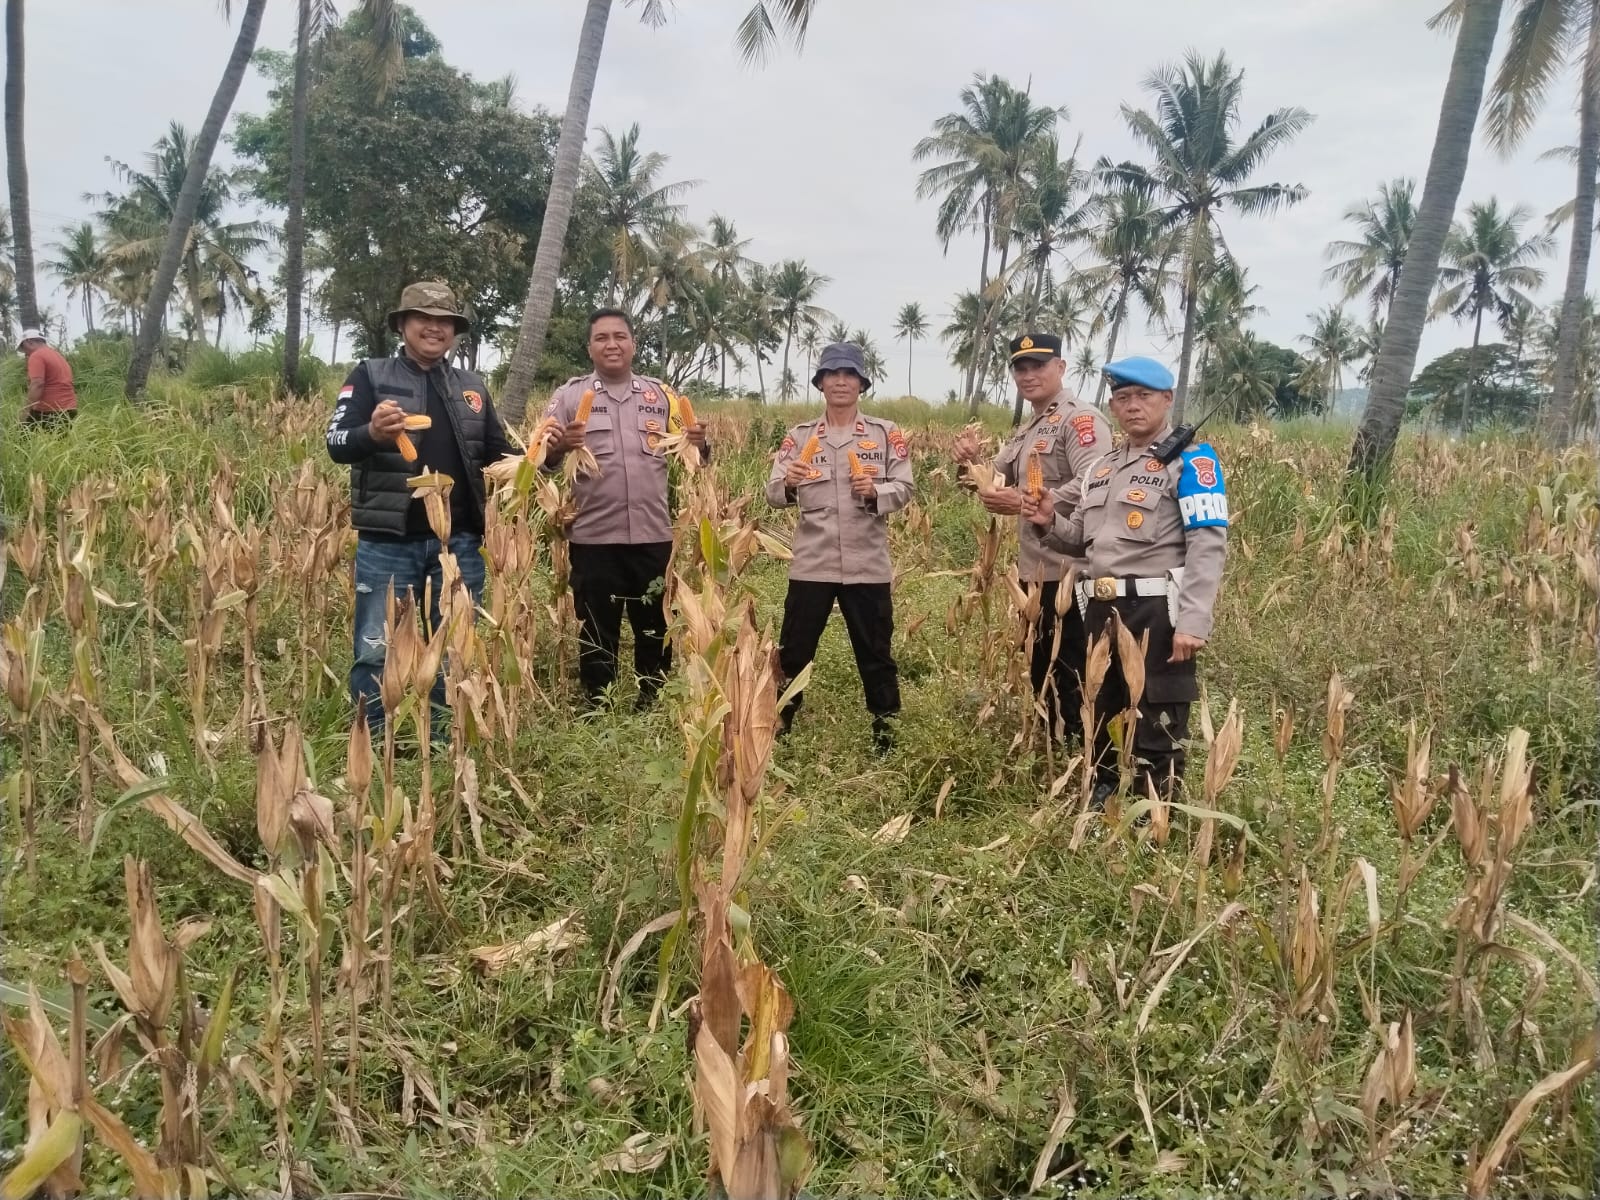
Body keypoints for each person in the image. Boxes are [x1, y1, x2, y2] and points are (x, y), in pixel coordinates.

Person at [1021, 355, 1228, 805]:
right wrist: (1048, 520)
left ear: (1167, 399)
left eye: (1144, 396)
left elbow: (1208, 545)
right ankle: (1104, 809)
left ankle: (1156, 815)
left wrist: (1193, 621)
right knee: (1100, 714)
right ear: (1113, 406)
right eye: (1123, 397)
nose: (1133, 405)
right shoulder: (1102, 468)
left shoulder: (1192, 463)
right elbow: (1080, 540)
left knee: (1157, 721)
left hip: (1155, 612)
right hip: (1099, 609)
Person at [325, 280, 511, 737]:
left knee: (456, 646)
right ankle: (373, 742)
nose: (434, 327)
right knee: (376, 649)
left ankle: (445, 742)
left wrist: (549, 452)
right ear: (402, 324)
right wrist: (372, 433)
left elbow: (499, 455)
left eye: (444, 320)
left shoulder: (471, 387)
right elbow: (337, 443)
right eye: (423, 318)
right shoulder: (369, 376)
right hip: (389, 541)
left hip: (458, 543)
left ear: (454, 330)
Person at [541, 308, 708, 708]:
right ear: (589, 348)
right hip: (594, 537)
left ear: (633, 344)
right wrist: (560, 446)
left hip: (653, 535)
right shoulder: (568, 396)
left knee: (655, 626)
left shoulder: (661, 395)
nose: (611, 344)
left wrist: (700, 443)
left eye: (620, 336)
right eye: (601, 338)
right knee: (597, 627)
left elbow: (696, 456)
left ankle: (652, 699)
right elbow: (540, 461)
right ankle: (599, 704)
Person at [953, 332, 1110, 744]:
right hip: (1035, 571)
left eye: (1038, 365)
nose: (1028, 374)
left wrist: (1027, 499)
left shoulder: (1081, 420)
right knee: (1042, 665)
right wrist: (972, 463)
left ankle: (1080, 750)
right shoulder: (1027, 430)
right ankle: (1052, 745)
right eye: (1020, 368)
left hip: (1071, 570)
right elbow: (995, 480)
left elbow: (1094, 481)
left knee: (1072, 668)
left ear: (1061, 367)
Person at [766, 342, 914, 752]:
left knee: (876, 654)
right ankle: (777, 730)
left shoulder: (885, 434)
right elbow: (773, 492)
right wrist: (789, 483)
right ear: (820, 383)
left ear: (862, 383)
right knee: (794, 653)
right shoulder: (799, 437)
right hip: (812, 564)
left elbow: (905, 487)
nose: (841, 381)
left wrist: (876, 491)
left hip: (867, 564)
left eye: (850, 374)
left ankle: (886, 735)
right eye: (832, 374)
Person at [18, 329, 78, 428]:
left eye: (23, 348)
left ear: (29, 342)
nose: (25, 353)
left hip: (49, 411)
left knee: (21, 434)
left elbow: (37, 384)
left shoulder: (37, 355)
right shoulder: (57, 355)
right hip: (69, 409)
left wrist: (26, 410)